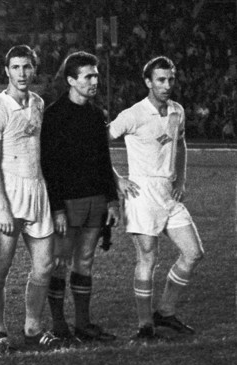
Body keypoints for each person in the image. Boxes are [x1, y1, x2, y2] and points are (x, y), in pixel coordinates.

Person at [108, 56, 203, 339]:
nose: (167, 85)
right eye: (160, 80)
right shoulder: (133, 114)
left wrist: (181, 178)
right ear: (148, 82)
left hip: (168, 194)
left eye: (170, 79)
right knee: (148, 258)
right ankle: (144, 325)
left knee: (193, 252)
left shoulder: (177, 110)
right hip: (142, 193)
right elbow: (98, 145)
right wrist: (118, 180)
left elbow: (181, 142)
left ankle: (166, 312)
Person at [0, 45, 61, 352]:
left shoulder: (39, 103)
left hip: (37, 190)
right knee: (0, 268)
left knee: (44, 265)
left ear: (34, 68)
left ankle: (32, 326)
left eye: (27, 67)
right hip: (9, 195)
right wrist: (0, 206)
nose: (22, 73)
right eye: (16, 67)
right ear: (6, 71)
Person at [41, 51, 120, 343]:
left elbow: (103, 159)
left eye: (96, 75)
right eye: (88, 75)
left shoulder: (95, 114)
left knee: (85, 260)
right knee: (60, 261)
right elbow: (49, 166)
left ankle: (83, 324)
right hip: (69, 202)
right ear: (72, 80)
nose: (94, 80)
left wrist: (112, 200)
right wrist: (57, 208)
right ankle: (60, 325)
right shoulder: (54, 115)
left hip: (95, 199)